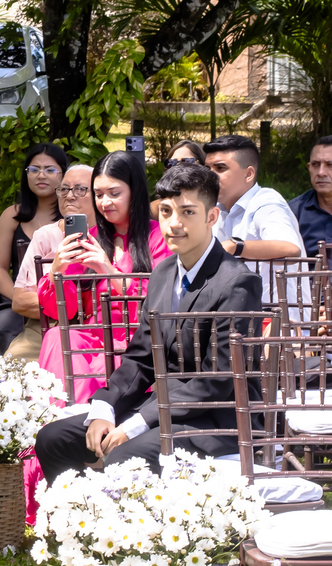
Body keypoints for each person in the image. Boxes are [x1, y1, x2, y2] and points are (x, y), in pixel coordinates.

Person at [34, 162, 263, 480]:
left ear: (212, 217)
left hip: (217, 420)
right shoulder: (164, 272)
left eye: (188, 212)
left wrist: (137, 422)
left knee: (125, 456)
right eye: (167, 212)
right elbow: (141, 356)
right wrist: (106, 406)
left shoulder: (237, 282)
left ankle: (126, 526)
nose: (174, 224)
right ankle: (80, 522)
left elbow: (218, 380)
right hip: (162, 409)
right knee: (54, 439)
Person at [37, 151, 171, 404]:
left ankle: (81, 422)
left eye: (114, 193)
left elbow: (160, 300)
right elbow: (58, 311)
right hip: (96, 335)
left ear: (135, 191)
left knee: (100, 359)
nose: (105, 202)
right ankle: (54, 423)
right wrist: (57, 270)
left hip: (142, 339)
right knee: (58, 336)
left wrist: (107, 270)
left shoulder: (159, 237)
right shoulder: (90, 239)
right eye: (98, 195)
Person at [0, 143, 64, 361]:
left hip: (61, 301)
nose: (41, 175)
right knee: (8, 332)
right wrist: (20, 299)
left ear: (63, 175)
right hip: (14, 301)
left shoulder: (73, 219)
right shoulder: (13, 215)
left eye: (50, 170)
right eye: (34, 169)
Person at [7, 164, 96, 361]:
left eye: (80, 189)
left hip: (97, 329)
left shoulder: (112, 237)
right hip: (47, 327)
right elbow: (20, 301)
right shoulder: (45, 236)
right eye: (64, 189)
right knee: (13, 370)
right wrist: (66, 306)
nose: (70, 196)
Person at [204, 134, 305, 301]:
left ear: (249, 174)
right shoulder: (216, 209)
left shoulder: (266, 202)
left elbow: (291, 251)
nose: (209, 177)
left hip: (277, 321)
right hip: (235, 317)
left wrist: (235, 246)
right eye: (207, 169)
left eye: (220, 168)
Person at [289, 134, 332, 257]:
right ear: (309, 168)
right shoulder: (293, 212)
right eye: (316, 164)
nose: (321, 172)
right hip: (309, 276)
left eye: (330, 165)